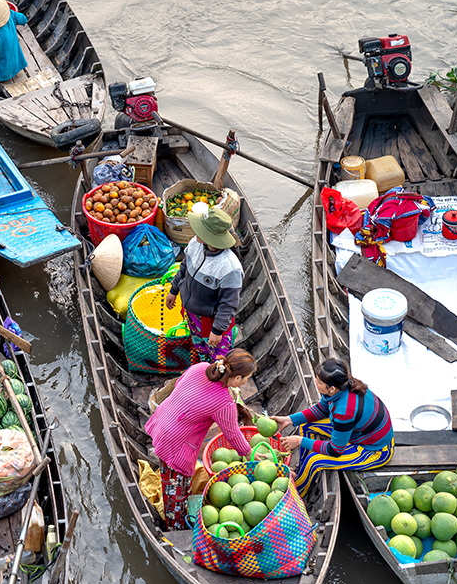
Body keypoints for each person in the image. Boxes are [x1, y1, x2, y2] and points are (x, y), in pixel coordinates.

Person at [144, 349, 257, 530]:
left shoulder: (201, 368)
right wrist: (251, 454)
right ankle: (176, 525)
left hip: (162, 422)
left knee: (168, 471)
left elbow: (180, 386)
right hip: (176, 442)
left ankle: (171, 492)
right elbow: (233, 434)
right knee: (176, 487)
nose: (245, 382)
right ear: (236, 379)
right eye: (246, 378)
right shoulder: (224, 402)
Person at [272, 359, 394, 495]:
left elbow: (335, 450)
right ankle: (301, 470)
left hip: (374, 449)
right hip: (357, 432)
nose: (316, 383)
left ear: (331, 388)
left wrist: (300, 441)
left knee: (313, 461)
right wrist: (289, 420)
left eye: (319, 382)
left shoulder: (344, 411)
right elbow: (322, 409)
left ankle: (295, 493)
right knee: (305, 427)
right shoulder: (340, 387)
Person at [164, 204, 243, 361]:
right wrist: (174, 291)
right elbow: (184, 268)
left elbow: (228, 304)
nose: (196, 232)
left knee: (219, 358)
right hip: (193, 312)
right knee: (199, 345)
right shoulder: (195, 243)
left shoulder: (230, 268)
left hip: (211, 321)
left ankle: (216, 378)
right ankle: (203, 364)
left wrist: (217, 330)